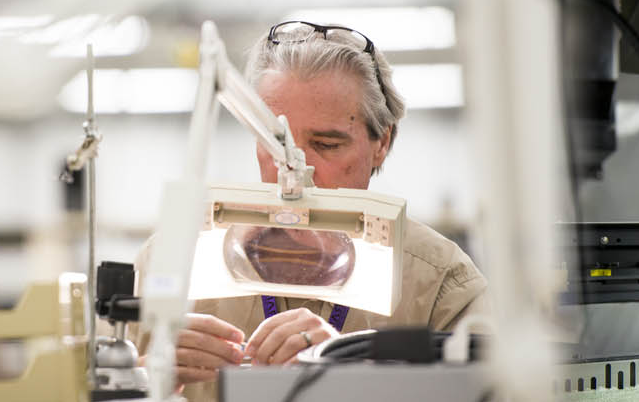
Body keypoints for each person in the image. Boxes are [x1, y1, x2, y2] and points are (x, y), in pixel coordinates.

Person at [135, 21, 489, 401]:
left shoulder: (437, 284)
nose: (296, 172)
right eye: (275, 143)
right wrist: (142, 381)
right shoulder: (171, 265)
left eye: (326, 145)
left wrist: (353, 380)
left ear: (381, 142)